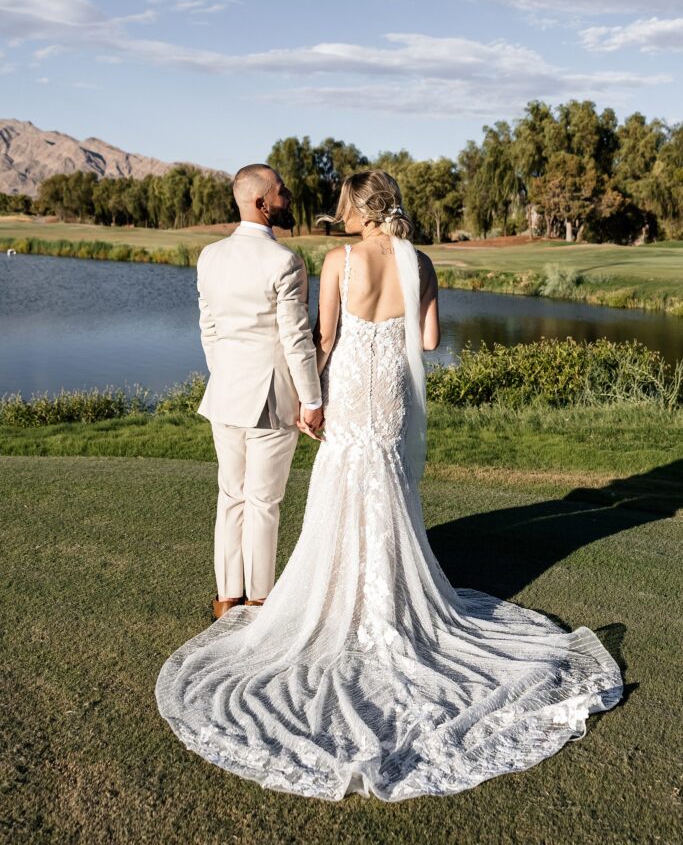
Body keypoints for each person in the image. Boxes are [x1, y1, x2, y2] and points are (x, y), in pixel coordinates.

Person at [156, 170, 623, 802]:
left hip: (348, 384)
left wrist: (312, 395)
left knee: (340, 486)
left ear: (360, 208)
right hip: (391, 394)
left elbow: (323, 337)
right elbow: (427, 340)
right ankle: (391, 599)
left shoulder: (338, 260)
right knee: (388, 485)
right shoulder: (421, 260)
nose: (339, 213)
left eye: (345, 204)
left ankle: (324, 598)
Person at [194, 164, 323, 618]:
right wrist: (313, 401)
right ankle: (260, 599)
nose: (288, 197)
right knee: (264, 502)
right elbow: (296, 340)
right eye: (282, 192)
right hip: (270, 397)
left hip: (226, 391)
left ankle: (227, 598)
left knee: (231, 495)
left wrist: (227, 373)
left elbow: (208, 328)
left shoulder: (209, 256)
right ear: (261, 203)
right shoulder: (285, 261)